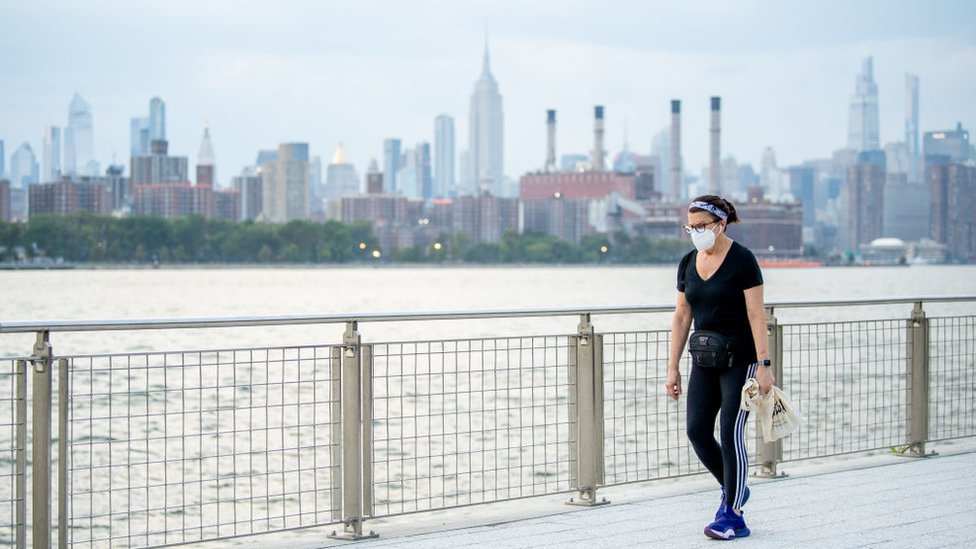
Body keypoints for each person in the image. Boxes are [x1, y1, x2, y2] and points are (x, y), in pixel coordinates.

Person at [664, 195, 775, 540]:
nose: (695, 232)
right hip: (704, 360)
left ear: (721, 225)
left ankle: (734, 515)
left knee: (730, 431)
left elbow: (757, 315)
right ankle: (734, 490)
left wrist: (764, 364)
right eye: (690, 227)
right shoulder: (687, 262)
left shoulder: (743, 260)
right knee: (697, 431)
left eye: (701, 226)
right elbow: (682, 315)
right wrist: (672, 367)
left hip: (739, 360)